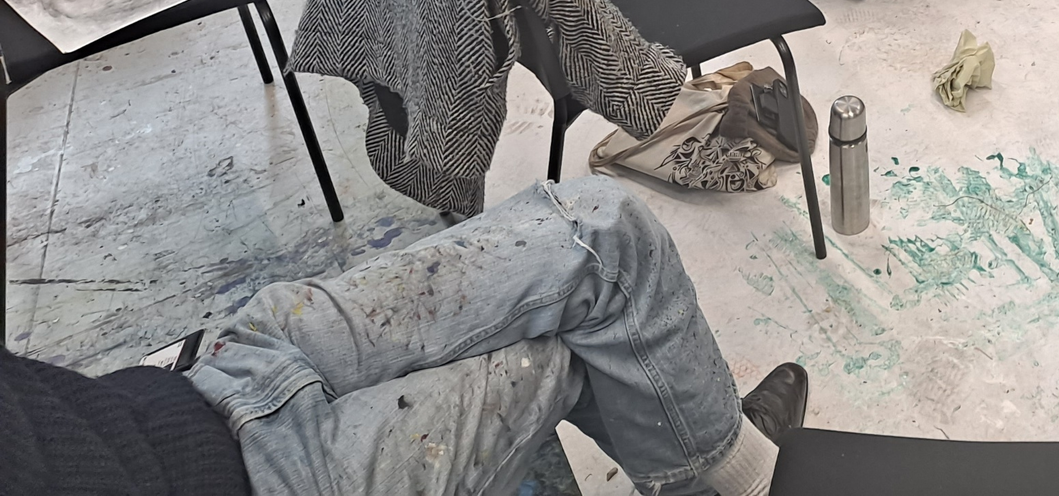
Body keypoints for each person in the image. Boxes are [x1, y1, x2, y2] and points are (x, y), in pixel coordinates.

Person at [1, 178, 810, 496]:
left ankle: (711, 463)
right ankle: (739, 479)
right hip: (263, 481)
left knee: (601, 233)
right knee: (574, 344)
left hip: (188, 390)